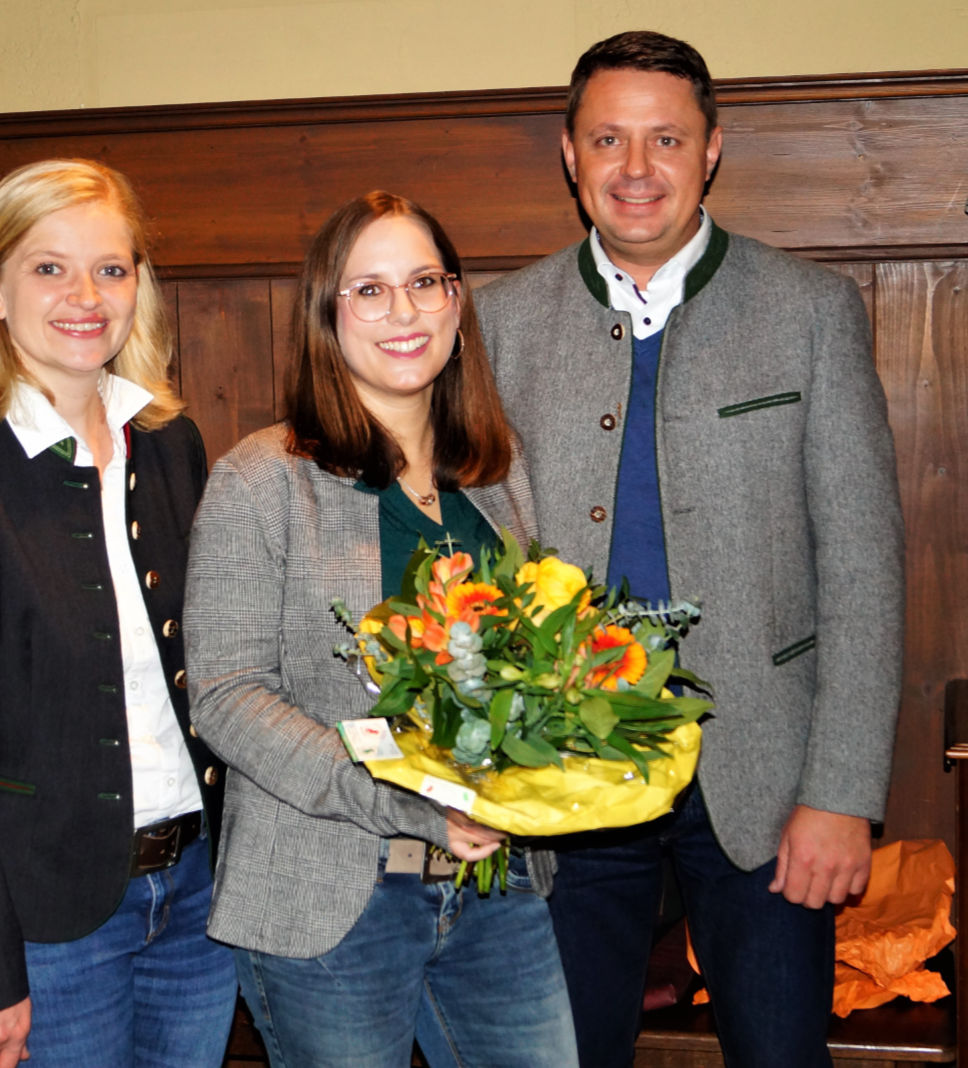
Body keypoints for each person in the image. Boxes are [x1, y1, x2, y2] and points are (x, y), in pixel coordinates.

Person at [475, 30, 904, 1068]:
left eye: (665, 139)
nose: (635, 169)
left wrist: (842, 793)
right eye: (608, 140)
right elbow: (468, 562)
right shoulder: (493, 324)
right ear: (569, 156)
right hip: (564, 783)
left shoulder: (807, 312)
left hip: (763, 788)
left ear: (711, 149)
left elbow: (863, 567)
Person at [0, 159, 236, 1067]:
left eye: (112, 267)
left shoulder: (169, 444)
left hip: (190, 905)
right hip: (31, 927)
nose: (86, 296)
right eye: (48, 268)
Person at [183, 191, 578, 1068]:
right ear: (328, 317)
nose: (403, 312)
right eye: (369, 290)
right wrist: (404, 800)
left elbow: (534, 671)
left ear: (458, 303)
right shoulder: (261, 480)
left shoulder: (502, 475)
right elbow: (226, 697)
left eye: (425, 283)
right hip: (331, 903)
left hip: (497, 886)